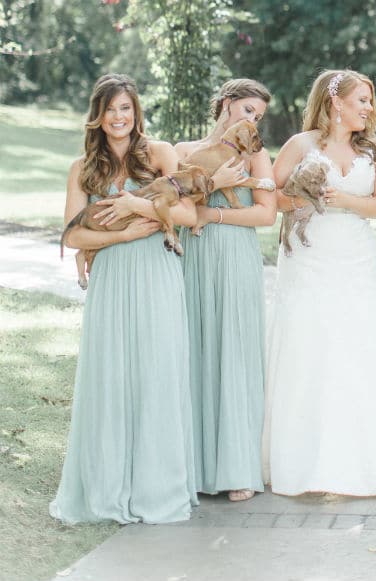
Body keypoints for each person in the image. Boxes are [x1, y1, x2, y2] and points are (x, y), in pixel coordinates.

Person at [263, 69, 376, 496]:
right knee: (310, 347)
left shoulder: (375, 150)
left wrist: (343, 200)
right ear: (336, 103)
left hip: (355, 258)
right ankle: (304, 460)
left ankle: (368, 460)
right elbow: (272, 197)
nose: (371, 109)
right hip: (309, 256)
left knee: (361, 346)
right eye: (363, 100)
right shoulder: (301, 145)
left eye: (370, 101)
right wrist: (303, 199)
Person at [50, 73, 198, 524]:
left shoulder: (159, 154)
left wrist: (135, 205)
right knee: (110, 374)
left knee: (156, 371)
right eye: (111, 109)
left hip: (157, 273)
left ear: (137, 113)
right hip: (112, 278)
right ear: (98, 115)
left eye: (126, 108)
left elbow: (189, 213)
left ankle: (157, 488)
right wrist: (125, 234)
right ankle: (107, 485)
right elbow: (74, 234)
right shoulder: (83, 169)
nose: (119, 117)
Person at [174, 79, 277, 502]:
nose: (252, 122)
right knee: (195, 352)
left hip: (236, 256)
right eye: (248, 111)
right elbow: (176, 207)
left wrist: (211, 213)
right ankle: (193, 468)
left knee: (234, 352)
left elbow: (266, 214)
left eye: (258, 116)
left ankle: (238, 468)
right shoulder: (183, 152)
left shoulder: (257, 156)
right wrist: (213, 184)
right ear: (227, 105)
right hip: (192, 259)